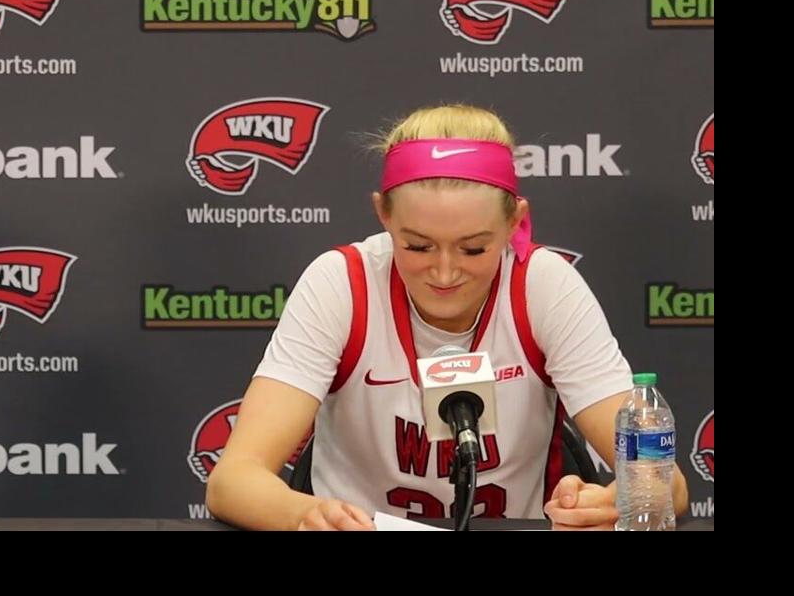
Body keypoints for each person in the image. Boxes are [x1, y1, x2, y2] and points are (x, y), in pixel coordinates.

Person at [205, 104, 688, 530]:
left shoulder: (543, 283)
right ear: (383, 216)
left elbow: (667, 483)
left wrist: (611, 504)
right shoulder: (342, 283)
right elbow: (232, 481)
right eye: (416, 245)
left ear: (516, 222)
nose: (444, 271)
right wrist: (304, 516)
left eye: (474, 248)